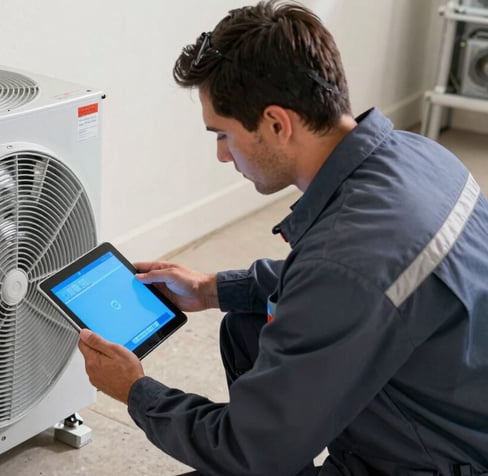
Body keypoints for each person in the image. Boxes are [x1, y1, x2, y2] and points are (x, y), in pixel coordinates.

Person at [76, 1, 488, 475]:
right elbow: (355, 285)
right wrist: (215, 289)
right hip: (453, 402)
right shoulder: (416, 154)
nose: (222, 156)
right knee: (247, 326)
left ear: (276, 123)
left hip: (443, 457)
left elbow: (249, 447)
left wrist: (134, 390)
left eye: (223, 135)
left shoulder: (347, 262)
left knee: (250, 450)